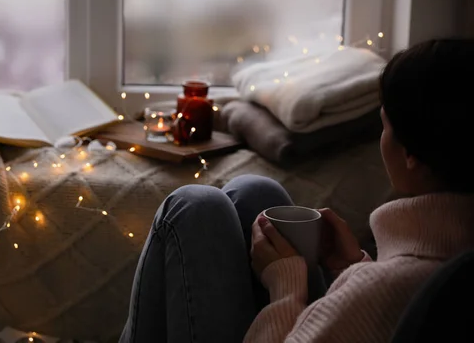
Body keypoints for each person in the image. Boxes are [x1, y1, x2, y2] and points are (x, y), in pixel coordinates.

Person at [119, 39, 474, 343]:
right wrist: (354, 267)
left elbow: (378, 301)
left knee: (192, 205)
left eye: (384, 125)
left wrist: (285, 290)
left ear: (411, 154)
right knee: (257, 192)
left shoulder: (382, 290)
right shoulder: (449, 261)